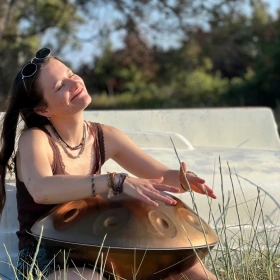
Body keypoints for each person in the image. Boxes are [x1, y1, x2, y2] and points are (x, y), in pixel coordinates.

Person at [0, 48, 217, 280]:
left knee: (195, 273)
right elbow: (41, 189)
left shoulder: (105, 136)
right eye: (59, 86)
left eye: (70, 74)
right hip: (48, 257)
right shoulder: (35, 139)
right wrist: (114, 181)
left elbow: (160, 175)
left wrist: (184, 179)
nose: (74, 84)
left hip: (99, 250)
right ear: (43, 109)